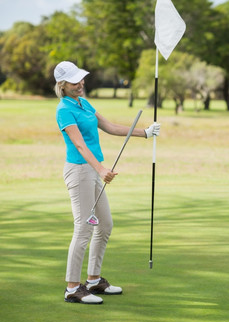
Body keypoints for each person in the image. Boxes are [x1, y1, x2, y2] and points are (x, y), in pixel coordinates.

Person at [54, 61, 161, 304]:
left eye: (81, 79)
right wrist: (101, 169)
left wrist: (144, 132)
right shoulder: (64, 110)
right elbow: (79, 145)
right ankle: (72, 288)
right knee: (83, 228)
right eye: (74, 81)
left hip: (92, 171)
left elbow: (110, 127)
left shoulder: (84, 103)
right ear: (62, 85)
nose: (80, 84)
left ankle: (93, 280)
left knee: (105, 225)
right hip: (80, 171)